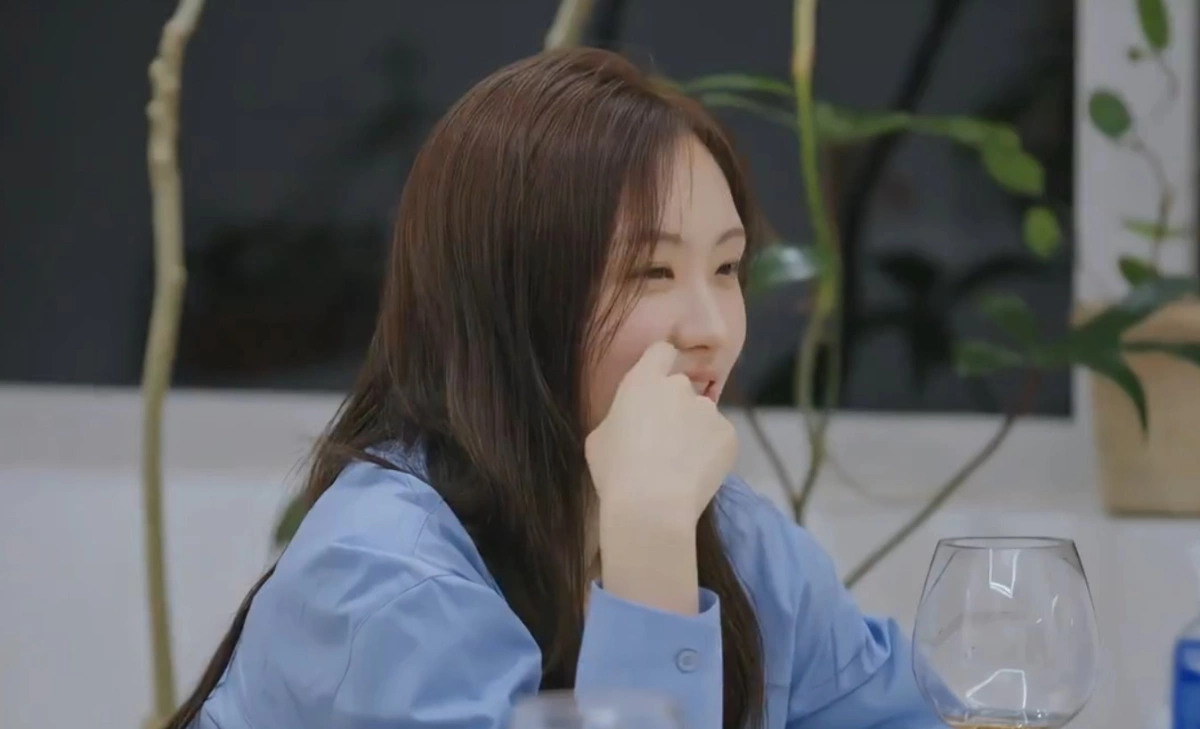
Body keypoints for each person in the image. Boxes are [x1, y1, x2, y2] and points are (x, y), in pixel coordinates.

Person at [169, 48, 944, 729]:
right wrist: (648, 540)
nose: (713, 327)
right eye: (653, 271)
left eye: (726, 267)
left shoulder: (742, 542)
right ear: (514, 302)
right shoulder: (387, 573)